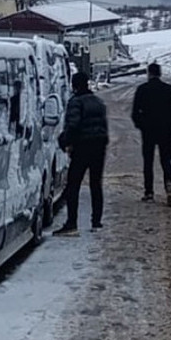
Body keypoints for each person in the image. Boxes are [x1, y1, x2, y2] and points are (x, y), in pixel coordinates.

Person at [52, 72, 109, 235]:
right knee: (96, 184)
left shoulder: (75, 102)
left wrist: (63, 141)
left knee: (73, 184)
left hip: (82, 147)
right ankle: (96, 222)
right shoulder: (98, 102)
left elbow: (73, 125)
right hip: (99, 146)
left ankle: (71, 224)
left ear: (74, 85)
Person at [131, 62, 171, 206]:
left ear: (149, 73)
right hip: (165, 131)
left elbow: (135, 113)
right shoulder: (169, 89)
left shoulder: (142, 89)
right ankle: (169, 188)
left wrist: (141, 125)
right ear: (160, 73)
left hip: (148, 131)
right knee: (166, 161)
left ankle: (149, 192)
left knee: (148, 161)